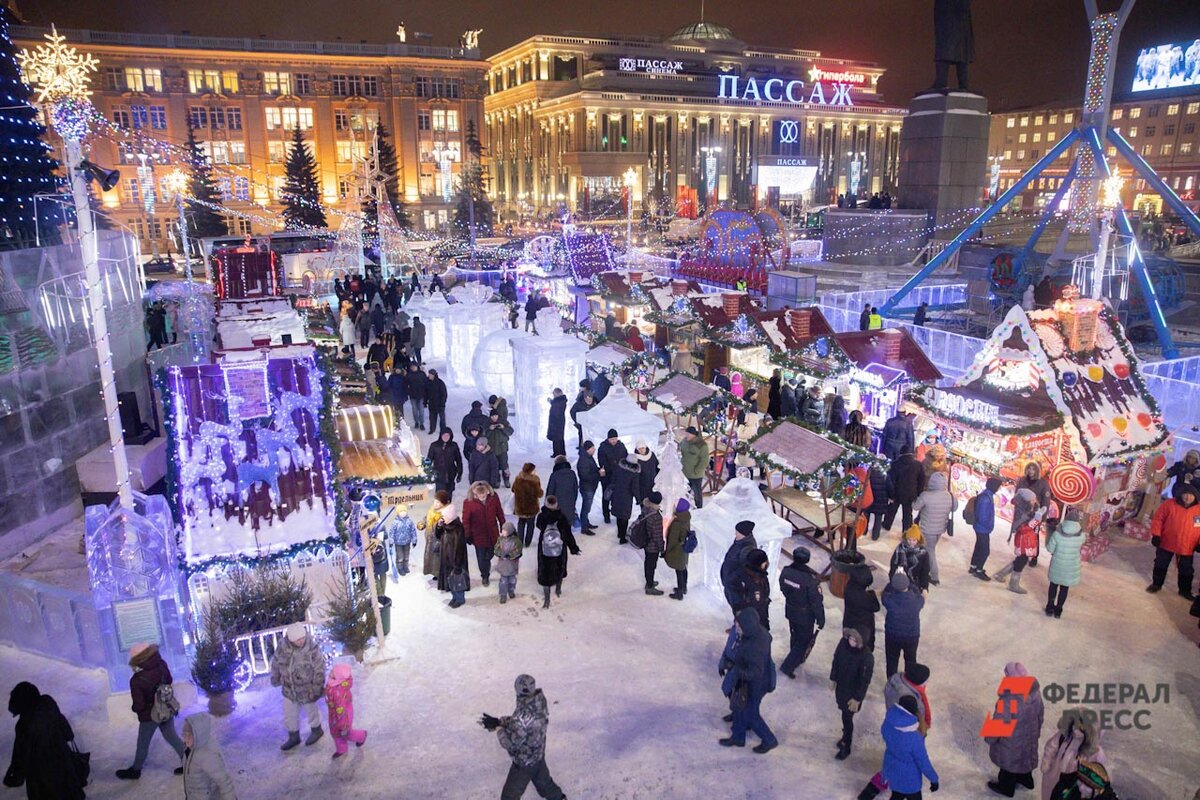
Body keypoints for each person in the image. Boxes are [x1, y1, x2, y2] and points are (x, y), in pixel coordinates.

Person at [480, 675, 565, 800]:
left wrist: (499, 728)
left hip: (524, 763)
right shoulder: (539, 701)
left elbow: (510, 743)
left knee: (509, 796)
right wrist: (500, 721)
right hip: (538, 756)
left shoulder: (522, 714)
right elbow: (523, 725)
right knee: (546, 785)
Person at [3, 682, 86, 799]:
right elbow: (66, 729)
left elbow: (21, 755)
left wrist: (15, 778)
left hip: (42, 775)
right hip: (63, 762)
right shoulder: (48, 705)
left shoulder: (24, 724)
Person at [115, 642, 185, 779]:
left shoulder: (136, 680)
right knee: (172, 737)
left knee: (143, 744)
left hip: (149, 716)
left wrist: (136, 709)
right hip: (165, 708)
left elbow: (139, 705)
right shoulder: (161, 664)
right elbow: (169, 680)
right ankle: (190, 763)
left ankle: (135, 770)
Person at [718, 607, 779, 753]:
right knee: (739, 705)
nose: (736, 627)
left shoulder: (754, 647)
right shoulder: (754, 634)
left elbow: (756, 673)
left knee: (751, 714)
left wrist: (737, 670)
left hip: (756, 685)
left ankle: (769, 740)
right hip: (747, 682)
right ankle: (738, 736)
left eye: (739, 625)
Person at [984, 662, 1044, 797]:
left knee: (1009, 764)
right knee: (1025, 758)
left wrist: (990, 739)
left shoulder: (1008, 700)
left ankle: (1006, 787)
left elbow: (999, 723)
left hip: (1011, 742)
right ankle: (1026, 780)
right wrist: (1036, 731)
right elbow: (1040, 714)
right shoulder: (1035, 693)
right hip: (1029, 738)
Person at [270, 623, 326, 751]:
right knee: (289, 714)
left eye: (302, 638)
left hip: (308, 689)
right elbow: (276, 663)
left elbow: (319, 668)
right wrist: (275, 677)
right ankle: (293, 736)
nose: (301, 641)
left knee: (311, 711)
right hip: (289, 689)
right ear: (290, 639)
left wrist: (317, 687)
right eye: (297, 639)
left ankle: (316, 730)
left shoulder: (311, 647)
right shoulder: (282, 648)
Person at [1146, 483, 1199, 599]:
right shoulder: (1169, 504)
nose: (1188, 497)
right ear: (1180, 495)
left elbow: (1199, 527)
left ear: (1195, 496)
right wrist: (1156, 535)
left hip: (1187, 546)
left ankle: (1185, 591)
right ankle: (1156, 584)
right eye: (1185, 494)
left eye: (1191, 495)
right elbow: (1158, 519)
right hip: (1166, 542)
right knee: (1160, 564)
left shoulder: (1198, 510)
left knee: (1186, 570)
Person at [881, 695, 940, 798]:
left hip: (894, 775)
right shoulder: (914, 738)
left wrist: (885, 774)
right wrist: (933, 779)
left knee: (896, 795)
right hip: (911, 782)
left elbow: (889, 753)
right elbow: (923, 761)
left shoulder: (888, 724)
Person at [779, 546, 825, 678]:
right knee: (804, 641)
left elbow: (783, 588)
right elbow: (816, 602)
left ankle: (795, 656)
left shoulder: (786, 572)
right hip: (805, 616)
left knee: (794, 634)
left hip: (791, 609)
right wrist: (820, 619)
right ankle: (788, 666)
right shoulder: (810, 579)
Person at [830, 626, 874, 760]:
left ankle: (846, 745)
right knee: (844, 715)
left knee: (847, 718)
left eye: (855, 640)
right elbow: (836, 660)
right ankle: (845, 737)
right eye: (850, 638)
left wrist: (857, 698)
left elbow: (864, 680)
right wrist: (833, 678)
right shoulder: (843, 645)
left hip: (852, 693)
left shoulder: (866, 657)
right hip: (842, 688)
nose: (851, 641)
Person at [911, 472, 956, 586]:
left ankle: (934, 576)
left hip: (927, 529)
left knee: (930, 551)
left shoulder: (926, 495)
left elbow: (915, 506)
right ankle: (922, 567)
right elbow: (954, 508)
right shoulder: (950, 496)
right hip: (940, 529)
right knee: (929, 549)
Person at [536, 497, 580, 608]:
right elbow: (568, 535)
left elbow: (538, 525)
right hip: (559, 550)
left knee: (545, 574)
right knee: (559, 570)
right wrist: (573, 548)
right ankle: (558, 589)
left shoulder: (542, 517)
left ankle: (547, 600)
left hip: (545, 550)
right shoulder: (562, 518)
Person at [180, 713, 237, 797]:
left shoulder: (207, 755)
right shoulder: (191, 748)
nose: (185, 739)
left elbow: (224, 782)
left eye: (189, 735)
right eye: (184, 734)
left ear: (198, 734)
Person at [881, 572, 925, 678]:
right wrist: (908, 581)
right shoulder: (916, 601)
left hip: (893, 635)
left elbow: (885, 592)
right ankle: (910, 683)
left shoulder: (889, 600)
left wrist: (894, 581)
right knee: (910, 660)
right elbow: (918, 593)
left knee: (891, 660)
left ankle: (892, 684)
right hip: (912, 636)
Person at [464, 481, 505, 588]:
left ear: (487, 491)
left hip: (492, 533)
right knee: (481, 559)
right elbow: (466, 519)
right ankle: (485, 576)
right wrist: (467, 534)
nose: (482, 498)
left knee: (490, 554)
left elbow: (499, 512)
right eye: (480, 496)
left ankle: (487, 563)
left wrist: (503, 526)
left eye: (484, 495)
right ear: (475, 493)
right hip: (478, 535)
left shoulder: (494, 497)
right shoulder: (469, 502)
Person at [1044, 518, 1084, 617]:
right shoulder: (1082, 536)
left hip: (1057, 564)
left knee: (1053, 586)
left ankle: (1049, 608)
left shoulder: (1057, 534)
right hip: (1071, 566)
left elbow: (1050, 549)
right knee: (1064, 588)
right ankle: (1058, 611)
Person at [630, 491, 666, 595]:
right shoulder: (655, 516)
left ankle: (649, 581)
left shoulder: (646, 509)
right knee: (651, 565)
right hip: (652, 546)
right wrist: (661, 549)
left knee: (648, 564)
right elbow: (657, 535)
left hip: (646, 542)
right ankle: (649, 586)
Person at [436, 503, 470, 608]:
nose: (443, 518)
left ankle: (460, 598)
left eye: (445, 516)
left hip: (455, 562)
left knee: (457, 580)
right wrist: (438, 527)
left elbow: (459, 549)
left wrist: (458, 566)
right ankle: (454, 597)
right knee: (450, 580)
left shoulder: (458, 529)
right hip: (446, 559)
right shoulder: (446, 526)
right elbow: (438, 536)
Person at [729, 547, 772, 628]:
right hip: (753, 622)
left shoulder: (743, 572)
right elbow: (757, 606)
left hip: (742, 615)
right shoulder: (756, 583)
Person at [720, 520, 758, 609]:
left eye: (738, 532)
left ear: (744, 534)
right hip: (730, 581)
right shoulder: (739, 541)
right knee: (733, 602)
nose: (735, 534)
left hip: (735, 584)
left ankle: (740, 621)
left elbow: (744, 569)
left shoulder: (747, 548)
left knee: (738, 606)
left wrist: (732, 578)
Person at [885, 447, 925, 532]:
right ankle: (907, 530)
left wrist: (890, 494)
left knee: (891, 510)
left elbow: (891, 480)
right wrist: (918, 493)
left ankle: (887, 525)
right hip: (911, 493)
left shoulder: (895, 464)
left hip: (897, 492)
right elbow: (922, 480)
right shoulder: (918, 464)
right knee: (907, 513)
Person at [969, 477, 1001, 580]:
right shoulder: (986, 498)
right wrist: (989, 526)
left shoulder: (987, 495)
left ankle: (973, 566)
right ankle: (979, 570)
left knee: (979, 547)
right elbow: (982, 517)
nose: (998, 489)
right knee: (985, 550)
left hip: (980, 527)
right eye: (998, 487)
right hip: (982, 528)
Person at [889, 525, 932, 593]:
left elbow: (925, 571)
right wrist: (893, 580)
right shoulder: (900, 548)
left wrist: (924, 587)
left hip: (915, 582)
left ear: (918, 540)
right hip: (901, 580)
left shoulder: (923, 553)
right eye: (909, 539)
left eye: (914, 540)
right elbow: (893, 565)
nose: (911, 542)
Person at [610, 453, 641, 545]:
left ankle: (620, 533)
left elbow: (613, 479)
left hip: (617, 494)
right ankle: (623, 538)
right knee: (625, 517)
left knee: (619, 516)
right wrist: (638, 499)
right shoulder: (634, 473)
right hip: (626, 497)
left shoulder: (619, 468)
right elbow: (634, 488)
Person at [597, 429, 627, 523]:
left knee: (618, 496)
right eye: (612, 439)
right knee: (606, 496)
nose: (614, 441)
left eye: (615, 438)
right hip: (608, 477)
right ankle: (606, 515)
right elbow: (602, 462)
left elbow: (625, 458)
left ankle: (616, 513)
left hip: (619, 476)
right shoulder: (602, 447)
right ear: (608, 439)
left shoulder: (621, 446)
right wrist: (613, 467)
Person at [664, 497, 692, 600]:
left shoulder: (677, 522)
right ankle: (684, 587)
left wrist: (668, 551)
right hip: (683, 549)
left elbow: (672, 539)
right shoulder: (686, 518)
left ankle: (679, 593)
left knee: (679, 570)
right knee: (683, 568)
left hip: (677, 550)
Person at [427, 427, 463, 499]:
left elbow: (458, 460)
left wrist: (460, 473)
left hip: (451, 473)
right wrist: (428, 473)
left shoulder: (454, 446)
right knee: (440, 494)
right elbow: (429, 459)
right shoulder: (434, 445)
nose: (446, 437)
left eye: (448, 435)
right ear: (441, 435)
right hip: (438, 473)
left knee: (449, 494)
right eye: (444, 435)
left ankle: (448, 508)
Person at [513, 463, 544, 547]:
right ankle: (527, 542)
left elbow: (513, 489)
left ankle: (520, 540)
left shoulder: (518, 478)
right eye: (534, 470)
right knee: (530, 525)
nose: (535, 471)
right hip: (531, 508)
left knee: (521, 523)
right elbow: (540, 494)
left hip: (520, 507)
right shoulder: (535, 480)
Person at [545, 455, 579, 530]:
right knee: (568, 524)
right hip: (570, 503)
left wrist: (549, 504)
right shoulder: (572, 473)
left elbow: (550, 491)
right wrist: (573, 500)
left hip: (557, 505)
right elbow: (575, 488)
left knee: (558, 524)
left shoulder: (554, 475)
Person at [680, 426, 709, 509]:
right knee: (685, 492)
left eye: (688, 434)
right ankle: (683, 509)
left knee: (697, 493)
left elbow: (704, 461)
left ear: (693, 435)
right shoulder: (685, 441)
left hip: (696, 475)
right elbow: (681, 448)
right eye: (686, 434)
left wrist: (696, 470)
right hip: (685, 473)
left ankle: (699, 508)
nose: (686, 436)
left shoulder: (702, 445)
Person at [495, 521, 524, 604]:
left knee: (512, 580)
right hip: (503, 565)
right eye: (502, 530)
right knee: (503, 581)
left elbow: (518, 551)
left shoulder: (516, 541)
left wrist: (510, 555)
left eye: (505, 530)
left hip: (512, 565)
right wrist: (500, 553)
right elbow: (496, 549)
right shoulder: (500, 539)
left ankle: (511, 590)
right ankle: (503, 594)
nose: (503, 532)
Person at [576, 441, 601, 534]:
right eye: (592, 448)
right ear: (587, 449)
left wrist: (598, 470)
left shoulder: (588, 457)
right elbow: (585, 476)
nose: (594, 449)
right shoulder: (583, 460)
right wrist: (598, 474)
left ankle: (586, 523)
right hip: (587, 488)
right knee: (586, 508)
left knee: (587, 507)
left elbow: (592, 469)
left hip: (591, 487)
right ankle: (584, 528)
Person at [865, 465, 893, 540]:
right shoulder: (885, 475)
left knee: (866, 515)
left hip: (869, 499)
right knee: (878, 518)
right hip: (881, 500)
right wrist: (892, 497)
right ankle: (875, 535)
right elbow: (890, 488)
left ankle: (864, 531)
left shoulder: (868, 474)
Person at [487, 411, 515, 488]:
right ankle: (497, 480)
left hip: (502, 448)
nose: (494, 418)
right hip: (492, 449)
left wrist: (503, 428)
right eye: (492, 416)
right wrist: (490, 429)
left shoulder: (504, 422)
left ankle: (506, 480)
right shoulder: (487, 423)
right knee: (494, 466)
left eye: (495, 416)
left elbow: (510, 432)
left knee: (505, 465)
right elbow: (483, 434)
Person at [404, 363, 428, 430]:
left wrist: (426, 394)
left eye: (414, 366)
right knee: (414, 410)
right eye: (412, 367)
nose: (413, 368)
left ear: (417, 367)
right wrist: (408, 392)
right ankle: (416, 422)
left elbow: (426, 384)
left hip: (421, 395)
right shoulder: (409, 375)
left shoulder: (422, 374)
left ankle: (422, 423)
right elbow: (405, 384)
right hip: (413, 396)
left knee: (421, 410)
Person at [426, 369, 448, 434]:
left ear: (434, 375)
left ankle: (443, 430)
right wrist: (425, 401)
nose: (429, 376)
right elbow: (426, 393)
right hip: (431, 404)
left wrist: (443, 403)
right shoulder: (427, 382)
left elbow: (444, 394)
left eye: (431, 374)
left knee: (442, 419)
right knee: (432, 418)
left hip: (440, 404)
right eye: (429, 374)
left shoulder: (440, 383)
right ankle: (432, 429)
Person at [547, 389, 568, 457]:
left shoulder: (558, 402)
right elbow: (556, 404)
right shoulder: (561, 400)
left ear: (557, 393)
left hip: (556, 422)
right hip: (560, 421)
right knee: (560, 437)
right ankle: (562, 452)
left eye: (554, 394)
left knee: (556, 438)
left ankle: (557, 453)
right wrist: (551, 401)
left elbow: (556, 410)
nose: (553, 395)